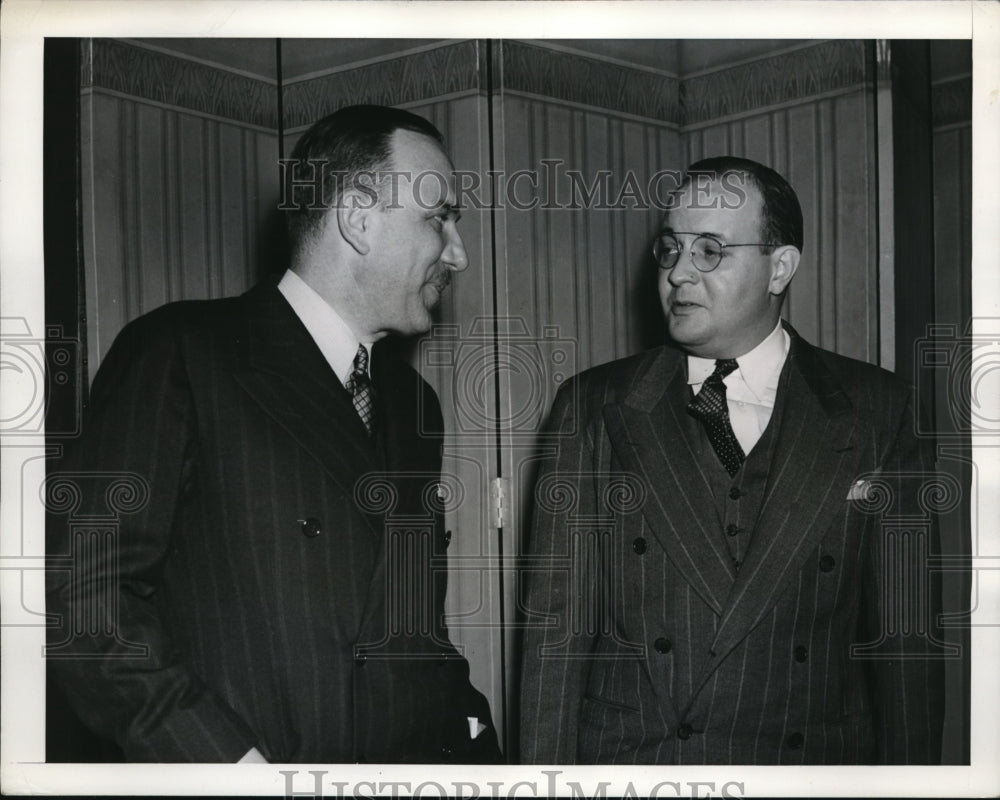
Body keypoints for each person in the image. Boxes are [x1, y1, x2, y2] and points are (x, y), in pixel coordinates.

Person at [46, 105, 500, 764]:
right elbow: (86, 600)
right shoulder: (179, 351)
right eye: (439, 218)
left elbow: (412, 624)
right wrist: (228, 766)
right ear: (358, 218)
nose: (456, 253)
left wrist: (470, 731)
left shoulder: (410, 403)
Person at [519, 156, 944, 765]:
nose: (679, 274)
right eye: (671, 249)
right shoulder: (593, 407)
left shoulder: (878, 410)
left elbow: (906, 646)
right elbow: (552, 643)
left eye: (710, 250)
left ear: (780, 268)